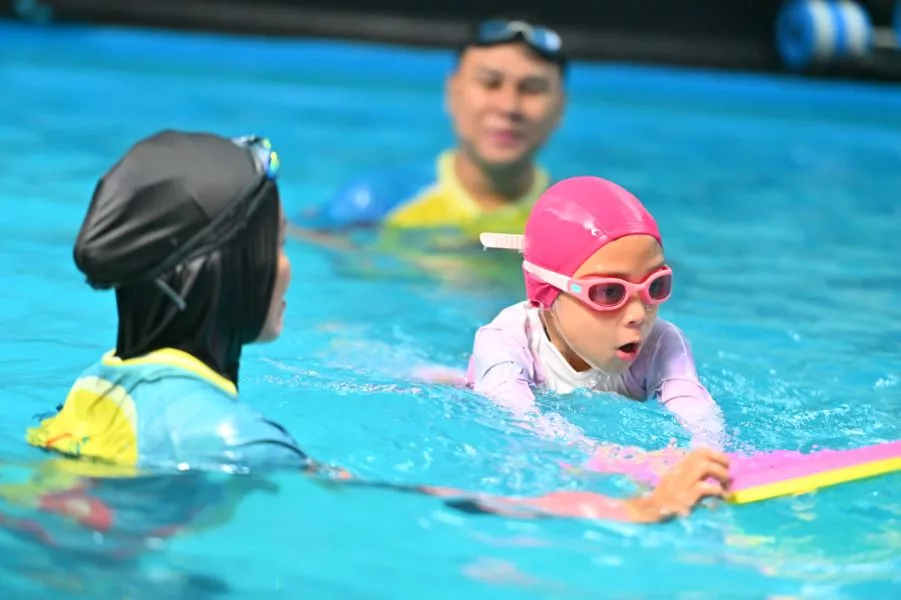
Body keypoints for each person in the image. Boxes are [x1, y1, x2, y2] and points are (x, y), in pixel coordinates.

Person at [22, 131, 729, 531]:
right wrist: (633, 506)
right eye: (272, 249)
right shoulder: (235, 441)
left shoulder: (100, 383)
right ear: (220, 274)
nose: (290, 270)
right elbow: (421, 503)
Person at [468, 176, 727, 452]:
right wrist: (614, 459)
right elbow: (515, 425)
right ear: (546, 290)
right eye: (609, 292)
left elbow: (696, 410)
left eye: (655, 285)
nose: (639, 314)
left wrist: (708, 453)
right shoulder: (504, 342)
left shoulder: (661, 343)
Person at [292, 18, 567, 251]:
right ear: (452, 92)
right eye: (490, 83)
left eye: (532, 89)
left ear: (561, 107)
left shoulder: (577, 222)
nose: (509, 106)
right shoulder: (373, 203)